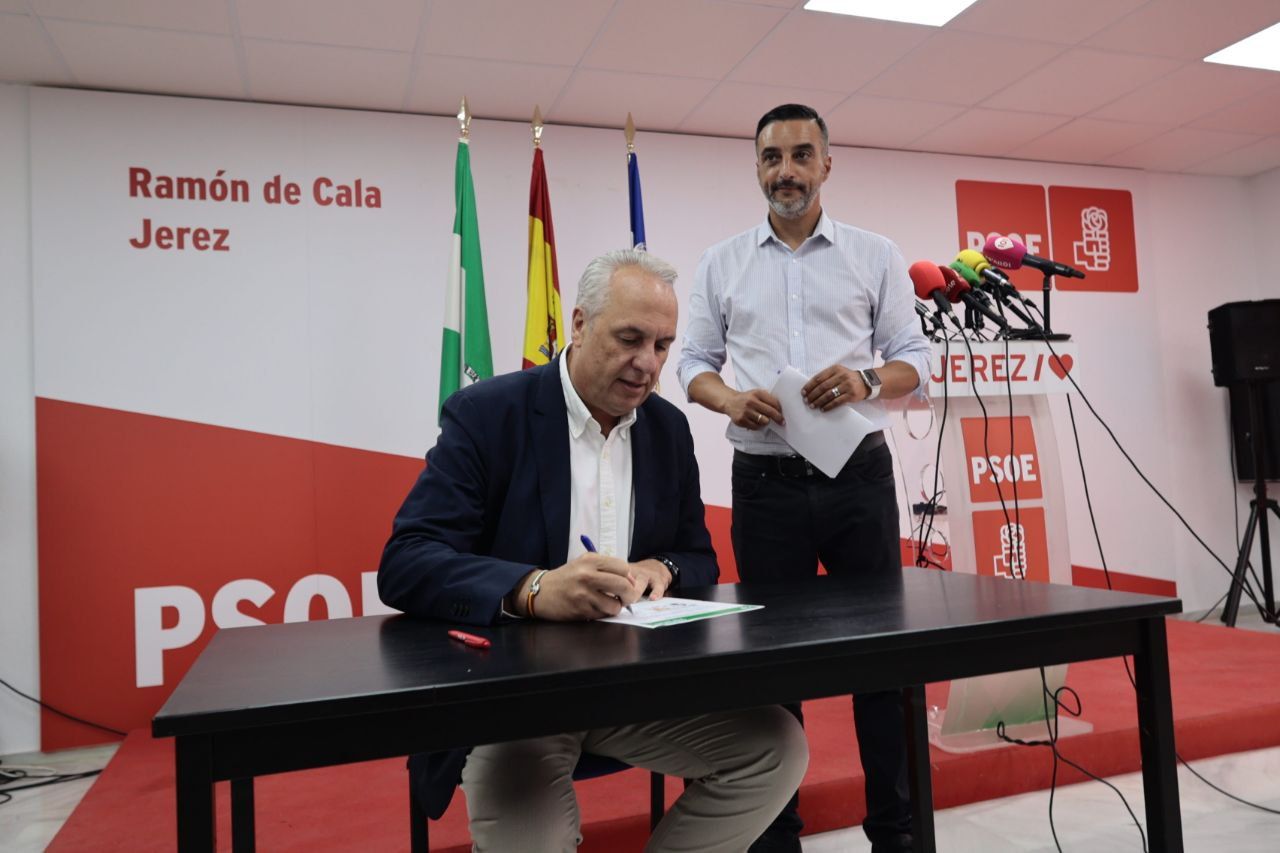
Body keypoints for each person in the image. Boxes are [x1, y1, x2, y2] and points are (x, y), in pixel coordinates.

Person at [380, 248, 808, 853]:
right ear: (578, 325)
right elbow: (408, 560)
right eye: (629, 339)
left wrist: (663, 568)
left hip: (633, 692)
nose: (647, 365)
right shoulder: (489, 415)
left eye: (662, 345)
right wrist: (532, 589)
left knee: (778, 746)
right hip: (514, 702)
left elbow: (697, 556)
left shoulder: (665, 429)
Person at [676, 104, 932, 853]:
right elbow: (692, 363)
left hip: (858, 477)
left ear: (827, 163)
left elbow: (917, 358)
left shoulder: (874, 252)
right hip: (765, 485)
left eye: (799, 155)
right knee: (771, 670)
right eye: (770, 158)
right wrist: (728, 398)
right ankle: (774, 837)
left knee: (881, 663)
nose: (784, 170)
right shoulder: (722, 261)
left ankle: (898, 832)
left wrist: (863, 379)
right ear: (756, 167)